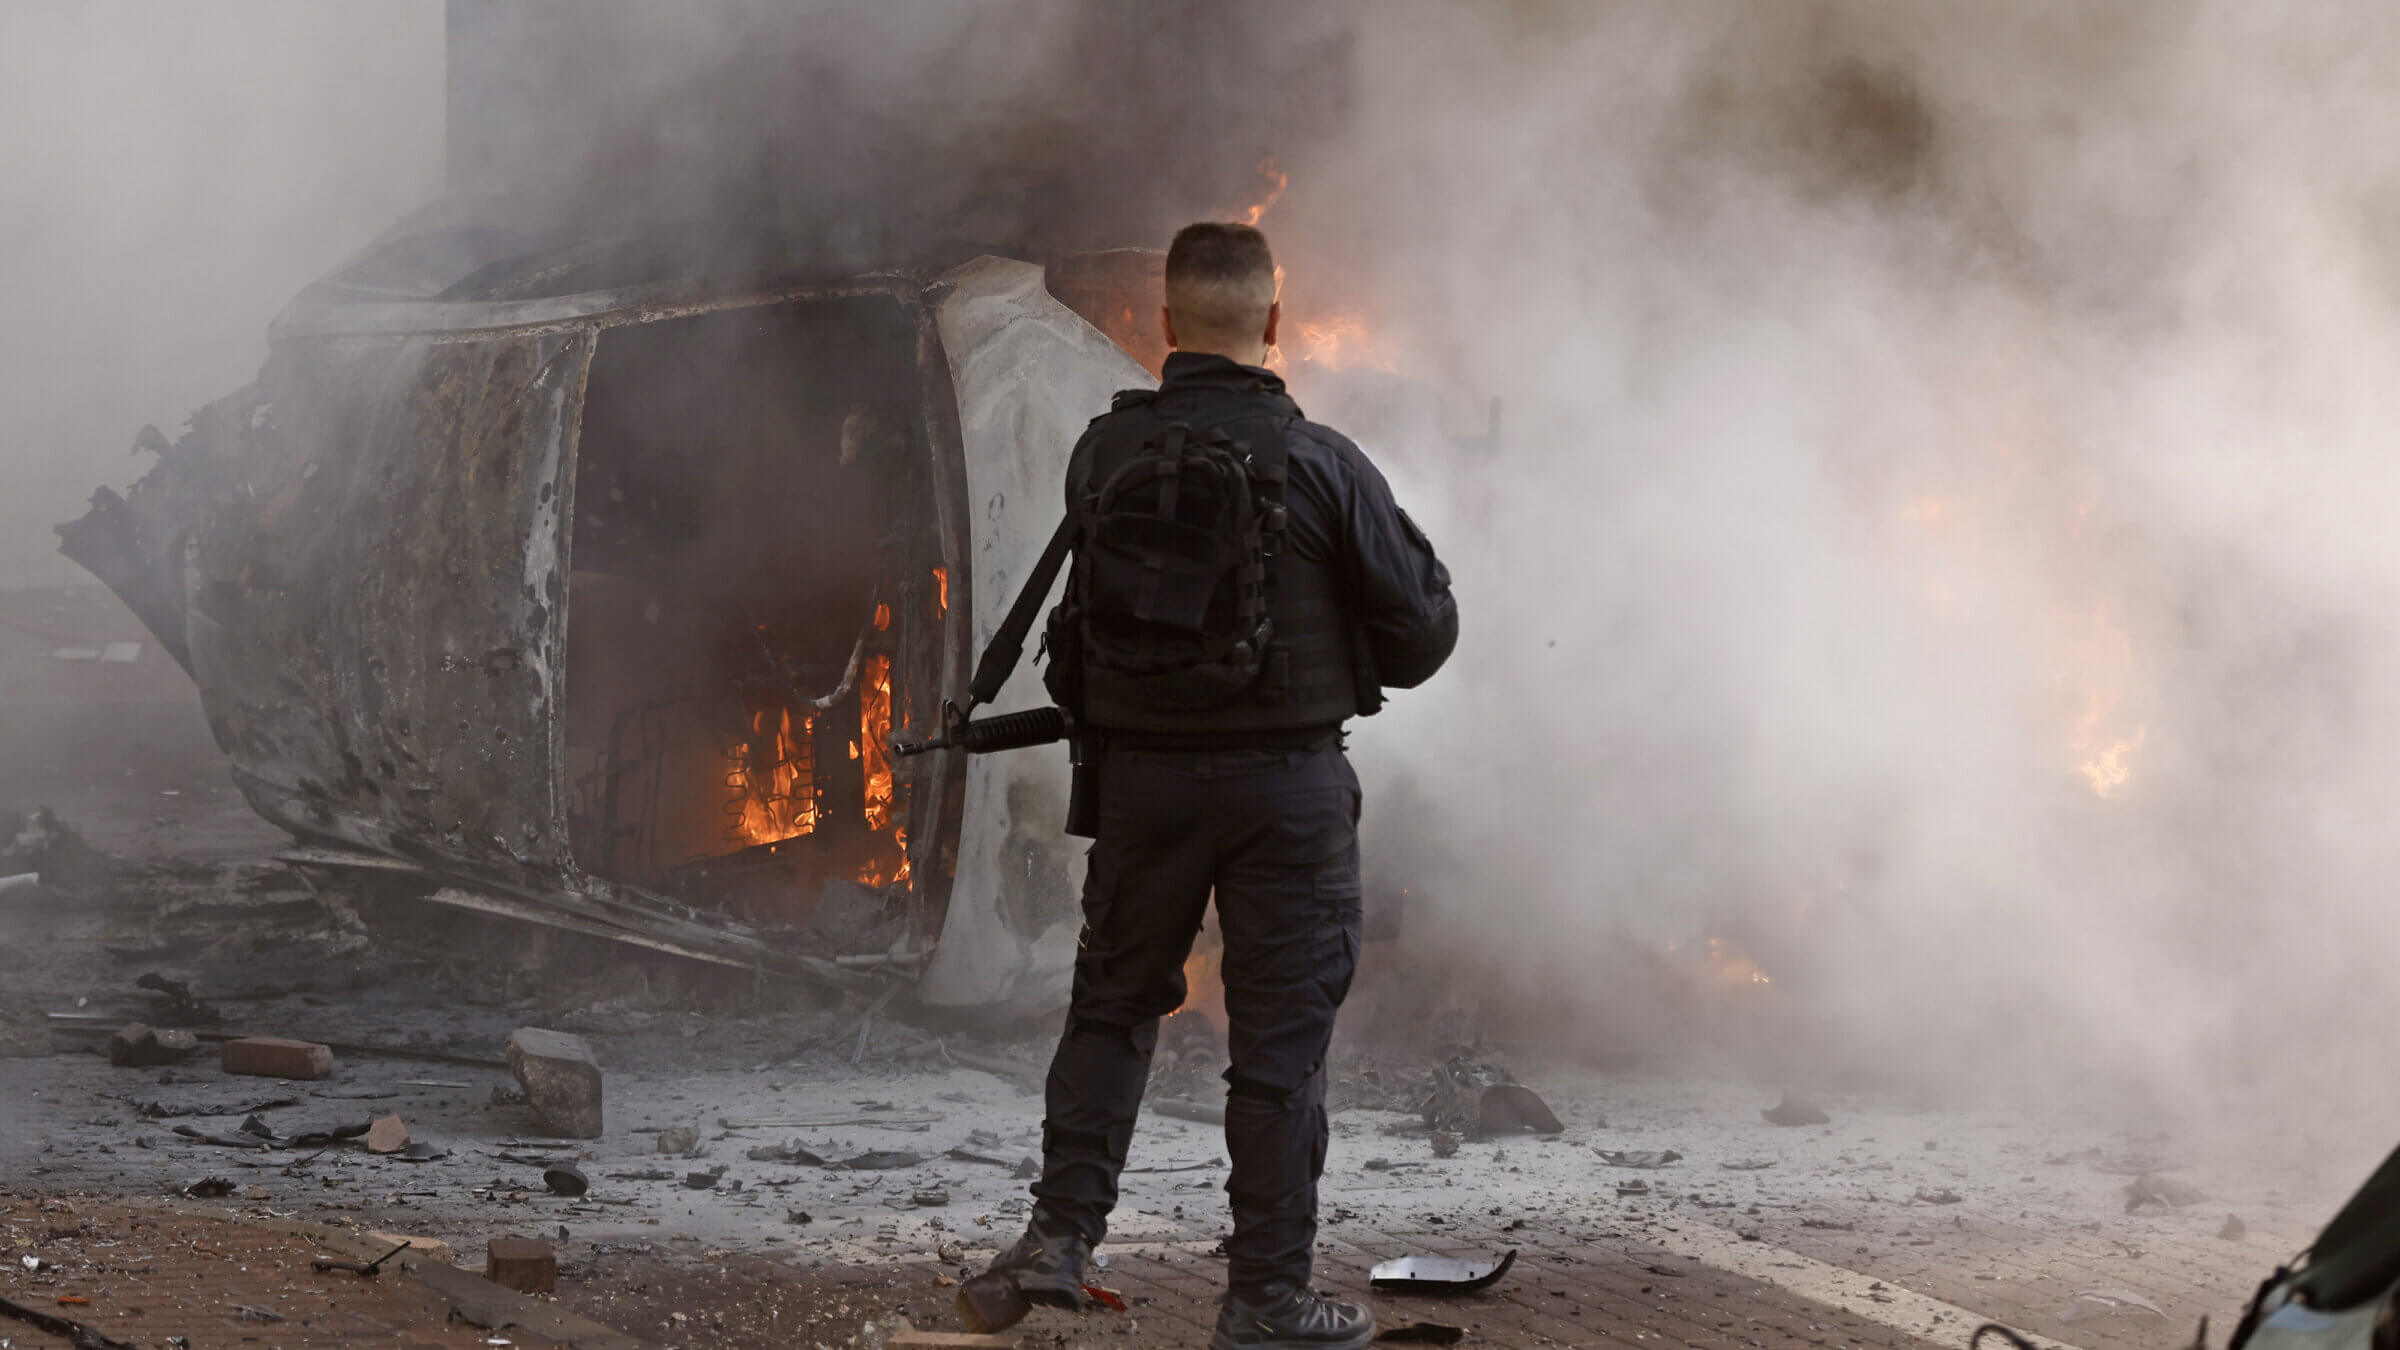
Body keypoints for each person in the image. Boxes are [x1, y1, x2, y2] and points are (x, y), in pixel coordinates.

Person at [984, 222, 1458, 1350]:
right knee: (1279, 1048)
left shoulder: (1103, 455)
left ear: (1163, 325)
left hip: (1142, 787)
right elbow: (1424, 634)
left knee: (1110, 1005)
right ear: (1275, 325)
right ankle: (1264, 1300)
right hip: (1286, 791)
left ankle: (1060, 1235)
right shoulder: (1323, 461)